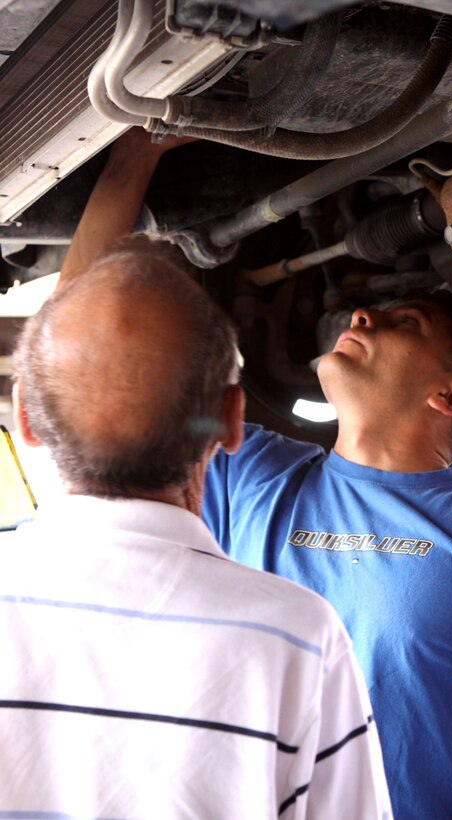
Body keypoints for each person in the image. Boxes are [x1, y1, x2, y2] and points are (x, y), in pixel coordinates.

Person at [57, 130, 452, 819]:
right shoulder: (246, 471)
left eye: (405, 321)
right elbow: (79, 358)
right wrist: (130, 160)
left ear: (451, 397)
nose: (362, 313)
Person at [0, 133, 393, 819]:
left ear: (27, 421)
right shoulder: (297, 635)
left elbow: (86, 339)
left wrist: (130, 163)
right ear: (232, 420)